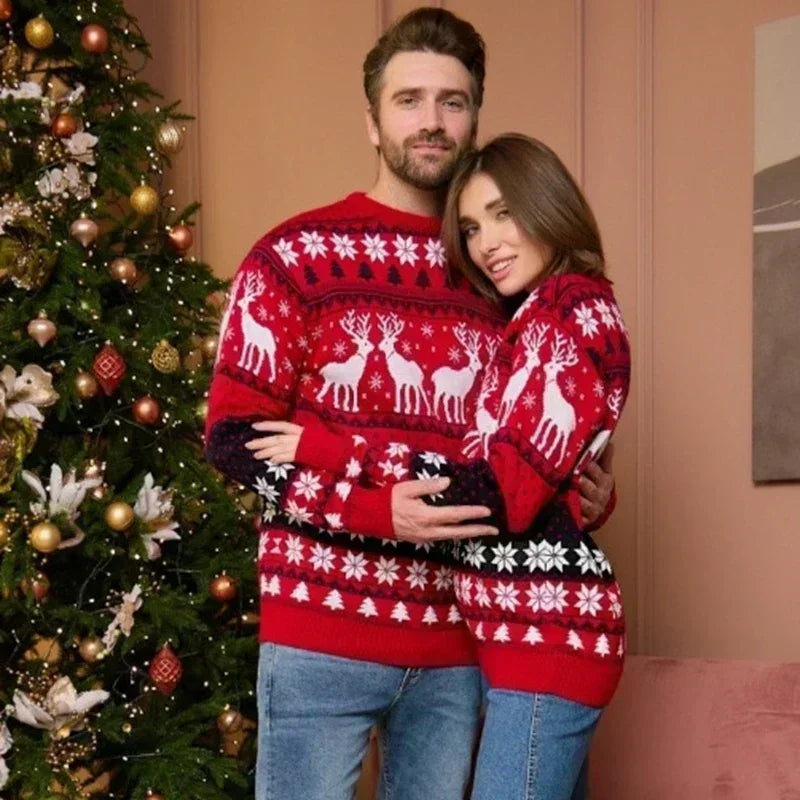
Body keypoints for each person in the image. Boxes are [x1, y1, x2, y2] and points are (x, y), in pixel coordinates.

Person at [205, 9, 615, 800]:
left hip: (461, 645)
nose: (431, 121)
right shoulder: (295, 257)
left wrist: (587, 491)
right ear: (373, 121)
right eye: (408, 100)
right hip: (319, 632)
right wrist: (372, 512)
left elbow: (535, 436)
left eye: (452, 102)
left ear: (473, 119)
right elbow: (233, 438)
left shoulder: (505, 274)